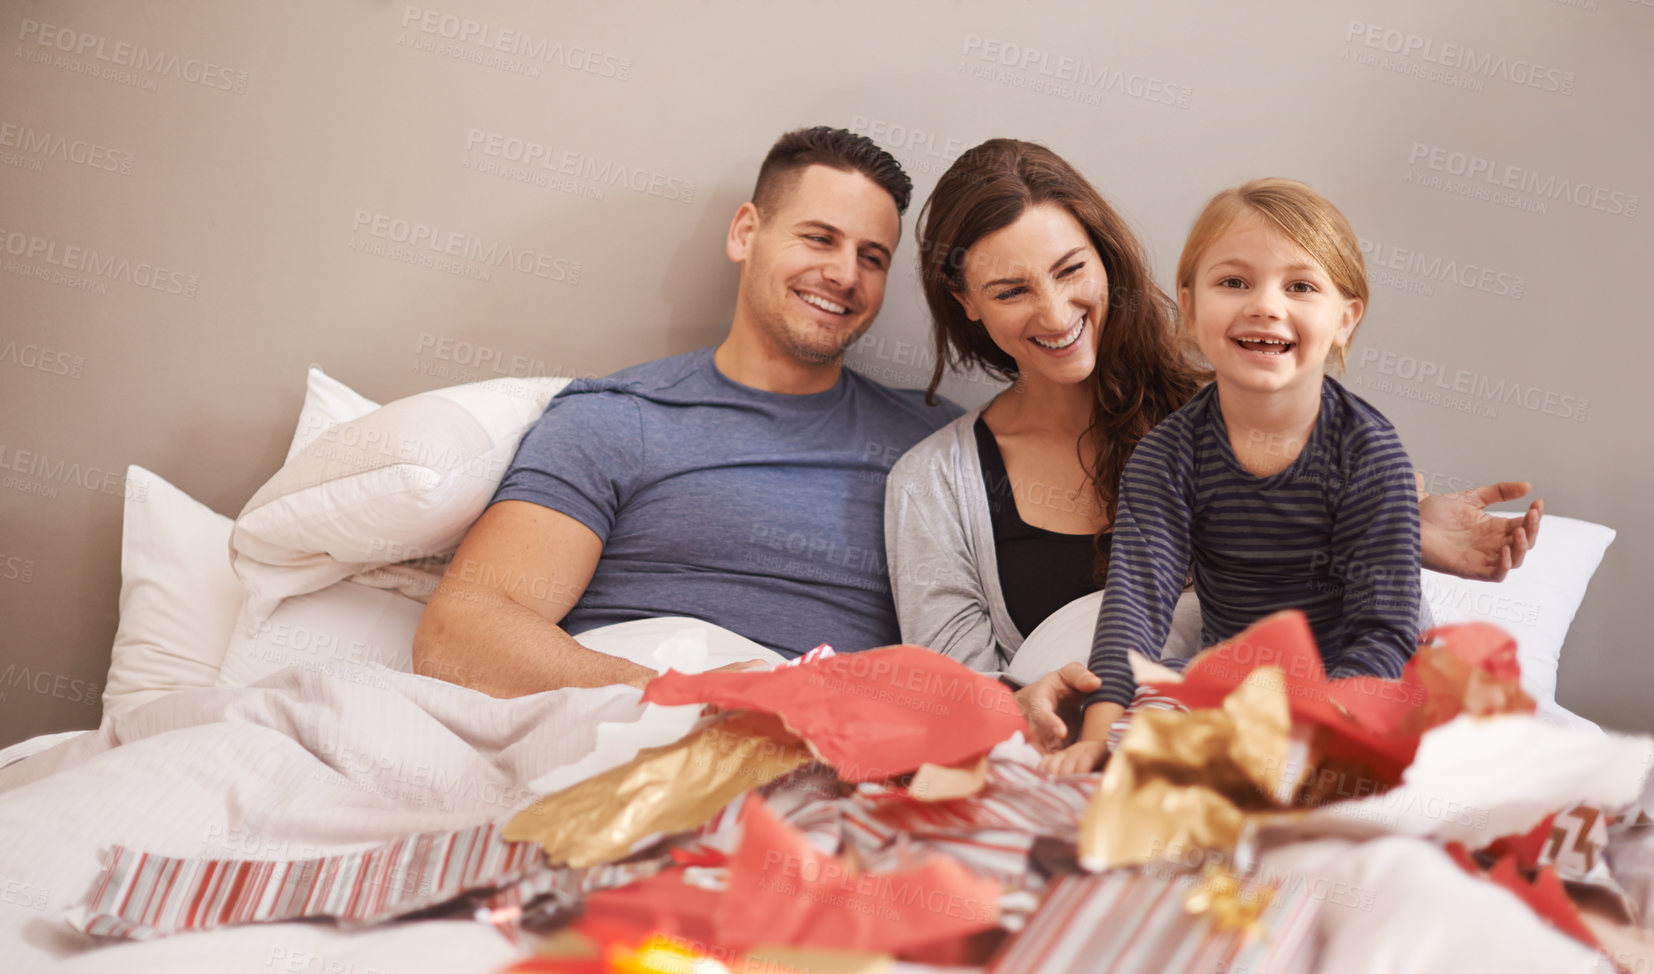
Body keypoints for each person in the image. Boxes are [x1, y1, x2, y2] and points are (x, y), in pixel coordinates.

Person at [884, 141, 1543, 768]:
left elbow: (1374, 633)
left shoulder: (1247, 399)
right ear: (964, 301)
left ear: (1106, 260)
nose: (1056, 312)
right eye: (1010, 290)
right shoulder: (932, 486)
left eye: (1071, 270)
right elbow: (952, 697)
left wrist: (1395, 528)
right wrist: (1020, 709)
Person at [412, 126, 960, 697]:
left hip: (842, 754)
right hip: (636, 734)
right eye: (820, 238)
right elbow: (459, 636)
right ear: (746, 232)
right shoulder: (618, 418)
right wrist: (702, 700)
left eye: (872, 257)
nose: (846, 275)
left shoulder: (933, 443)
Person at [1064, 178, 1421, 773]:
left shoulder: (1369, 453)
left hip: (1348, 691)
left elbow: (1383, 631)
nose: (1265, 305)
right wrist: (1092, 739)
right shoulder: (1167, 457)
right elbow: (1136, 605)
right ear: (1191, 303)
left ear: (1345, 320)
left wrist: (1318, 733)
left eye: (1301, 286)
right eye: (1234, 282)